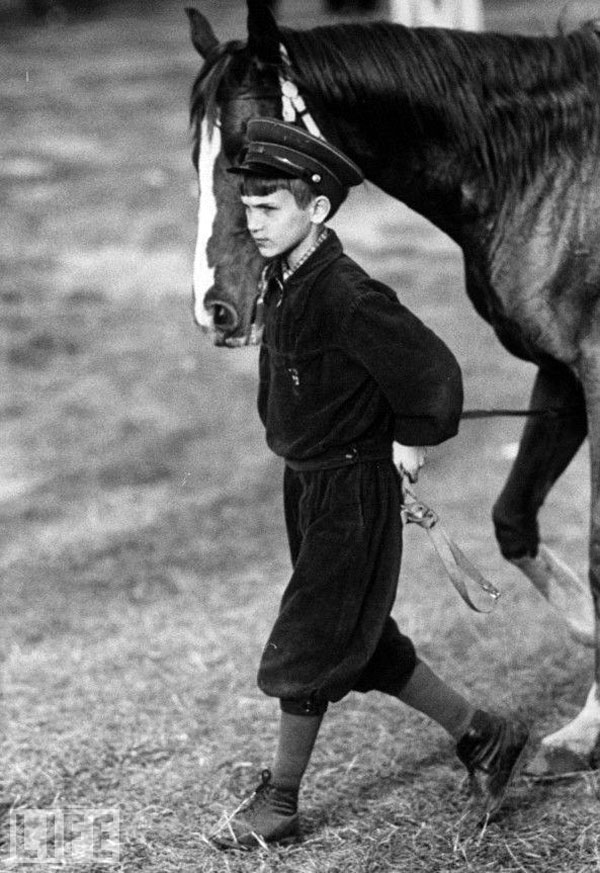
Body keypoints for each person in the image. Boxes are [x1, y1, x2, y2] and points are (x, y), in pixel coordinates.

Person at [212, 118, 529, 849]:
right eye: (248, 207)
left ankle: (282, 802)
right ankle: (484, 734)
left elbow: (434, 373)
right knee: (363, 639)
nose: (252, 222)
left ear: (316, 210)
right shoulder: (286, 276)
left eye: (269, 209)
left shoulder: (346, 291)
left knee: (312, 634)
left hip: (353, 492)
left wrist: (412, 437)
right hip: (311, 485)